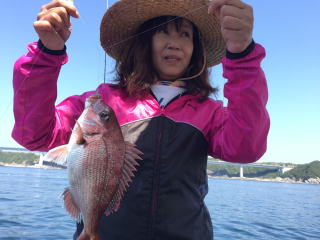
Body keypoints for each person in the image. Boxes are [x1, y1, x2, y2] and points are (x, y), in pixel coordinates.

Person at [12, 0, 270, 239]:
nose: (174, 43)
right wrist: (47, 52)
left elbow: (245, 148)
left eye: (185, 34)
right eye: (163, 32)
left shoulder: (210, 113)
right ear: (144, 42)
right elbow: (35, 134)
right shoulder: (99, 103)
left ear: (196, 50)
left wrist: (241, 55)